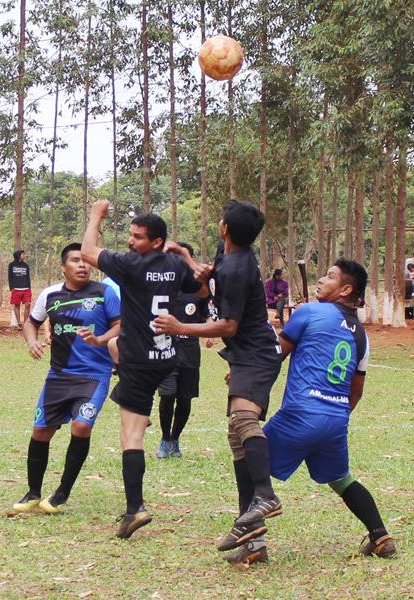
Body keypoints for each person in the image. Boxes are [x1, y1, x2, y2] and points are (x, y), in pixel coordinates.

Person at [225, 259, 396, 565]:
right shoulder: (362, 336)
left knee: (247, 456)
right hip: (336, 418)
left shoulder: (308, 312)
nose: (320, 279)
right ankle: (380, 535)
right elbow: (356, 391)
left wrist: (245, 371)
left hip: (300, 414)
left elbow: (273, 355)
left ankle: (254, 547)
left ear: (345, 289)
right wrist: (332, 417)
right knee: (341, 480)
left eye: (329, 276)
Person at [155, 200, 284, 562]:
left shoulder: (237, 268)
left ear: (225, 227)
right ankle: (253, 542)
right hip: (246, 355)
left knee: (244, 421)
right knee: (236, 435)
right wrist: (184, 255)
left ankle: (265, 495)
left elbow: (228, 325)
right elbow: (210, 276)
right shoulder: (231, 256)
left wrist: (181, 327)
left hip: (257, 353)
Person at [80, 200, 207, 539]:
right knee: (120, 359)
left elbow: (88, 252)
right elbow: (203, 287)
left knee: (130, 436)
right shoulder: (175, 265)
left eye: (137, 237)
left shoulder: (131, 265)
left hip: (136, 360)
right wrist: (186, 256)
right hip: (166, 357)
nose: (131, 241)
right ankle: (141, 409)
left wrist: (96, 216)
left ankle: (134, 508)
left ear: (155, 241)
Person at [12, 243, 121, 515]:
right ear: (63, 267)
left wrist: (102, 339)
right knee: (41, 432)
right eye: (75, 261)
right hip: (58, 376)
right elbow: (31, 322)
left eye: (85, 261)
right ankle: (33, 492)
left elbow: (122, 324)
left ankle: (62, 492)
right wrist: (31, 341)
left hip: (94, 376)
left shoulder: (104, 293)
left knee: (81, 426)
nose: (82, 265)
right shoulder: (50, 294)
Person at [156, 242, 211, 459]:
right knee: (167, 394)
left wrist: (210, 332)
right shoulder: (160, 286)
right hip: (165, 349)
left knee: (185, 399)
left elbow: (209, 314)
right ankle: (164, 437)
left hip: (189, 351)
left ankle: (175, 439)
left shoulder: (199, 290)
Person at [9, 250, 32, 328]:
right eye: (23, 254)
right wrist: (11, 288)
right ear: (18, 255)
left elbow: (28, 277)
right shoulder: (11, 265)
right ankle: (19, 322)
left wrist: (29, 287)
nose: (25, 256)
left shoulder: (25, 265)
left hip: (26, 289)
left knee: (28, 304)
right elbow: (10, 277)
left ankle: (26, 323)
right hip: (16, 289)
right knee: (17, 305)